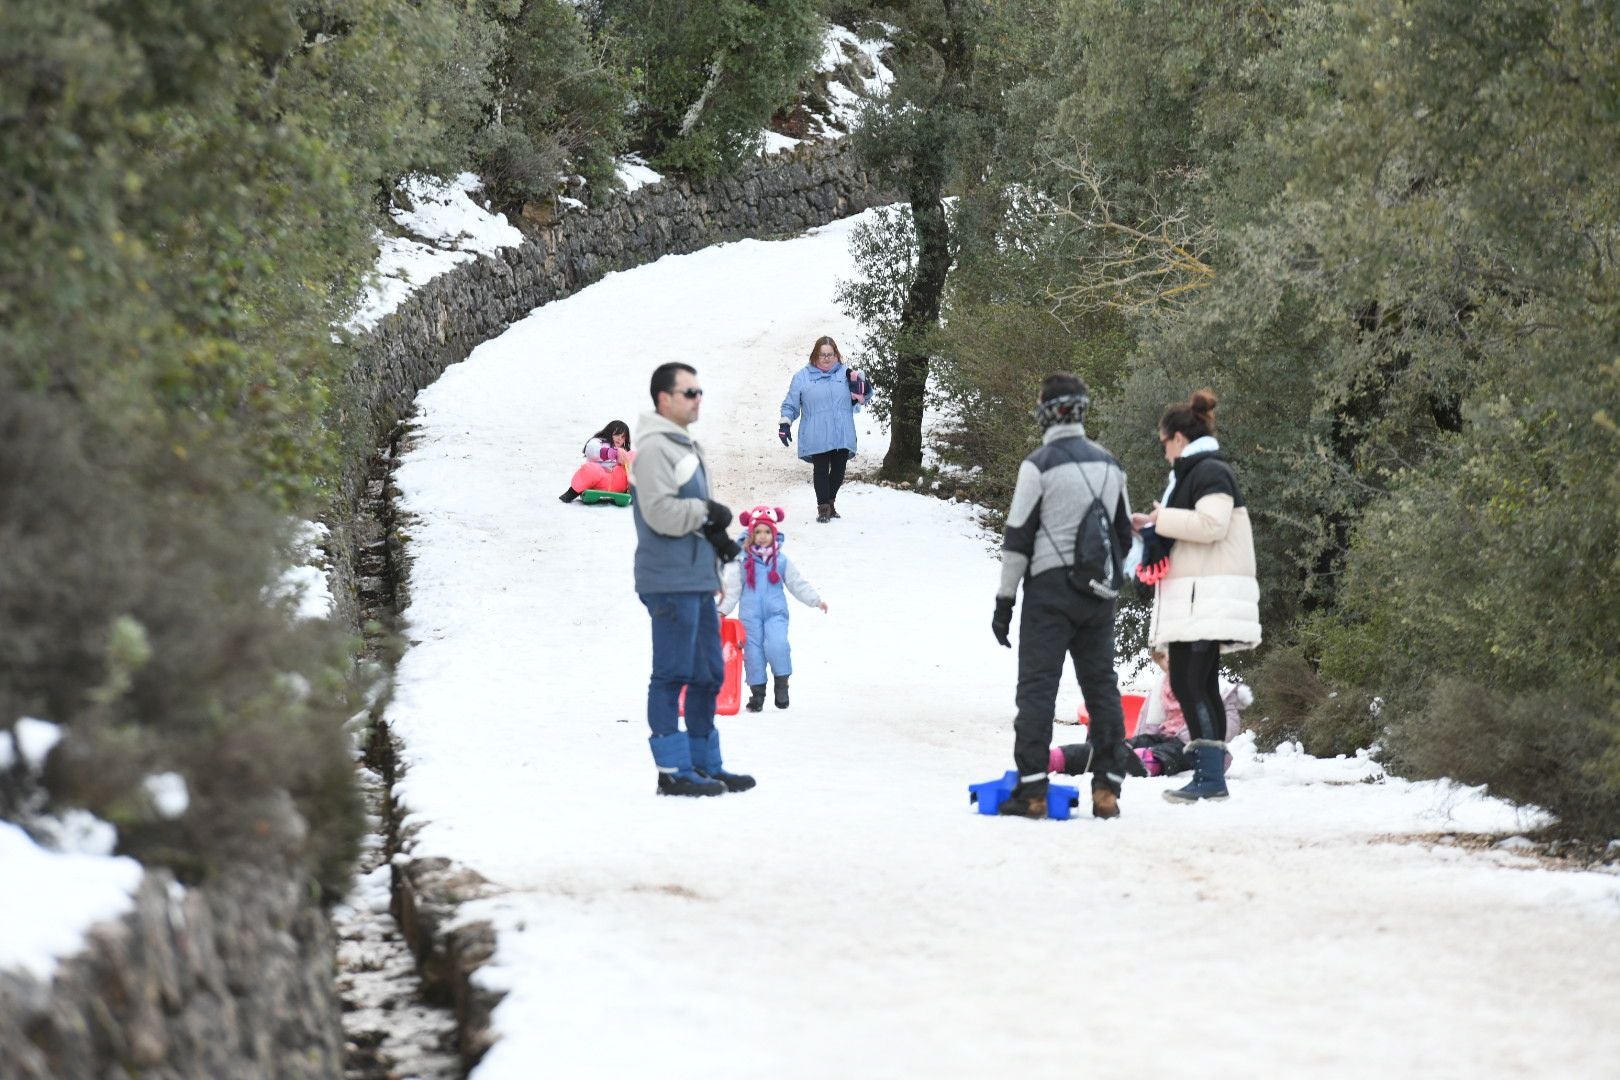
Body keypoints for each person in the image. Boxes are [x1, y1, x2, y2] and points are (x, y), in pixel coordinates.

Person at [991, 373, 1135, 819]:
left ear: (1048, 411)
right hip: (1097, 592)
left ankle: (1032, 791)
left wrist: (1004, 599)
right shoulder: (1110, 465)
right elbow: (1124, 535)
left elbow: (1018, 538)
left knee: (1037, 689)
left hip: (1049, 593)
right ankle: (1107, 790)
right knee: (1102, 688)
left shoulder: (1038, 465)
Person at [1131, 388, 1261, 803]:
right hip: (1199, 596)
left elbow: (1212, 525)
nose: (1164, 452)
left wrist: (1161, 518)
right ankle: (1210, 776)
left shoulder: (1209, 472)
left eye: (1164, 443)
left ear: (1179, 440)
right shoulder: (1195, 473)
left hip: (1207, 597)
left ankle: (1209, 778)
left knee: (1191, 683)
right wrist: (1152, 525)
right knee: (1197, 683)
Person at [631, 363, 753, 797]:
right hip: (668, 581)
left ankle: (705, 766)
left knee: (708, 673)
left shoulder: (682, 446)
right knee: (672, 674)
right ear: (664, 398)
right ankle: (673, 772)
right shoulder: (653, 450)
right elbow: (661, 513)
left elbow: (693, 514)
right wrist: (707, 512)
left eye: (700, 391)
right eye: (689, 392)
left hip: (695, 579)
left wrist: (716, 553)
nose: (698, 398)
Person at [1049, 647, 1248, 779]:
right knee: (1132, 743)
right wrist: (1133, 741)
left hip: (1200, 747)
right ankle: (1062, 757)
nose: (1169, 659)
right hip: (1162, 737)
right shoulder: (1162, 685)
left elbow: (1227, 721)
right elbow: (1147, 718)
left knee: (1176, 752)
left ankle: (1145, 762)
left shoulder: (1212, 685)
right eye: (1163, 656)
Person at [717, 506, 827, 712]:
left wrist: (815, 600)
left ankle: (781, 683)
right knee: (752, 653)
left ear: (774, 534)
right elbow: (732, 590)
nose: (762, 536)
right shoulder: (743, 562)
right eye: (757, 532)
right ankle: (757, 694)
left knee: (777, 645)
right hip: (749, 616)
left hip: (776, 614)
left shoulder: (781, 561)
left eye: (767, 532)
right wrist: (721, 610)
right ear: (751, 535)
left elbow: (797, 583)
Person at [778, 336, 872, 523]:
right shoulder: (802, 377)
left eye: (830, 354)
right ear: (815, 355)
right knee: (821, 469)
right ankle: (823, 508)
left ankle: (831, 502)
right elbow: (791, 403)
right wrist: (784, 423)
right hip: (816, 432)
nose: (827, 358)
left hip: (842, 432)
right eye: (822, 355)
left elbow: (863, 396)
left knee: (838, 470)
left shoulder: (847, 374)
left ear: (836, 355)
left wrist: (864, 388)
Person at [558, 420, 633, 502]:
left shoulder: (623, 451)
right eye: (617, 434)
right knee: (591, 469)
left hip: (617, 484)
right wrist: (608, 452)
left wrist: (627, 459)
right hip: (598, 481)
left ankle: (636, 493)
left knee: (633, 456)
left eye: (623, 437)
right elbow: (591, 450)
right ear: (609, 432)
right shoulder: (598, 442)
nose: (619, 438)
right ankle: (572, 492)